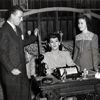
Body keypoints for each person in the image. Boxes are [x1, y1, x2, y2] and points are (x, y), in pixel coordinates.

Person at [0, 5, 38, 100]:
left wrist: (34, 36)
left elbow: (22, 42)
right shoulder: (3, 31)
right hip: (11, 73)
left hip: (21, 70)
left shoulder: (18, 29)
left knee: (25, 96)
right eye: (19, 17)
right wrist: (11, 69)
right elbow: (2, 53)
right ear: (12, 15)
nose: (21, 20)